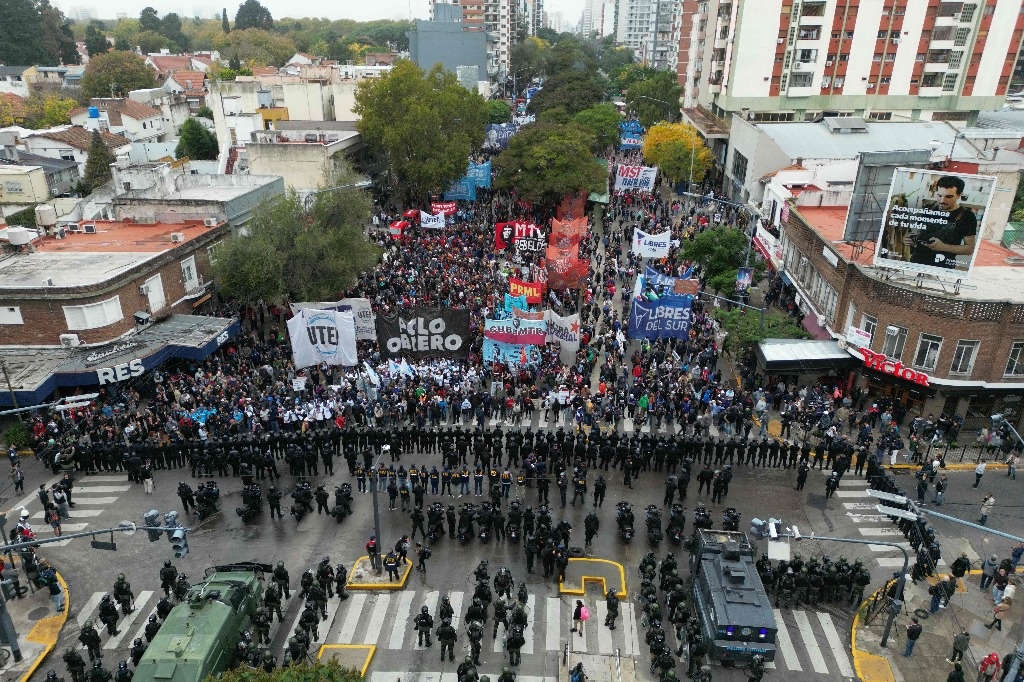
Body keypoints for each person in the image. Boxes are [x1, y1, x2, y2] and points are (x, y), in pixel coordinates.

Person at [908, 175, 978, 270]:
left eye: (948, 197)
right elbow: (918, 234)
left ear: (959, 195)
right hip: (916, 262)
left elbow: (969, 249)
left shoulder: (967, 216)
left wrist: (944, 247)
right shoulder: (927, 210)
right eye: (939, 195)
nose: (942, 201)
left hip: (942, 266)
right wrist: (910, 240)